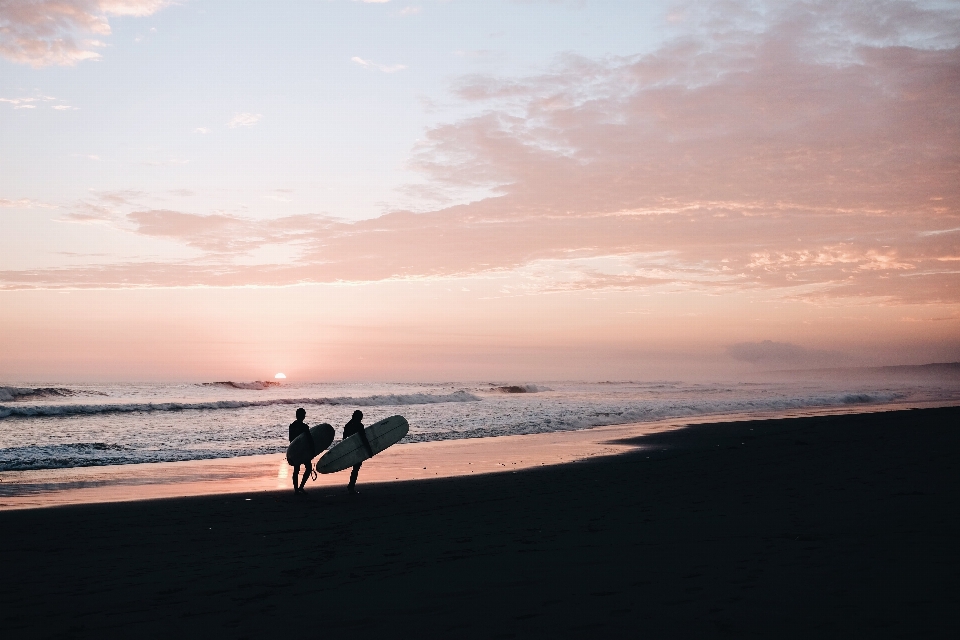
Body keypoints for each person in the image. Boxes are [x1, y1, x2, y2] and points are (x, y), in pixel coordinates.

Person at [343, 410, 374, 493]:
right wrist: (369, 450)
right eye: (361, 417)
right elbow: (364, 439)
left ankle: (351, 486)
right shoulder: (359, 426)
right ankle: (351, 487)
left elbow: (343, 440)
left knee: (355, 468)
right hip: (358, 449)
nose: (361, 418)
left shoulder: (347, 426)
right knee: (356, 468)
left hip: (350, 449)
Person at [289, 407, 313, 494]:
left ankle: (296, 489)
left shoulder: (291, 426)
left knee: (296, 470)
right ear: (303, 416)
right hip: (304, 451)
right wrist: (312, 451)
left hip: (295, 450)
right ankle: (301, 487)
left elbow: (290, 440)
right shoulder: (305, 427)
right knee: (309, 468)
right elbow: (309, 440)